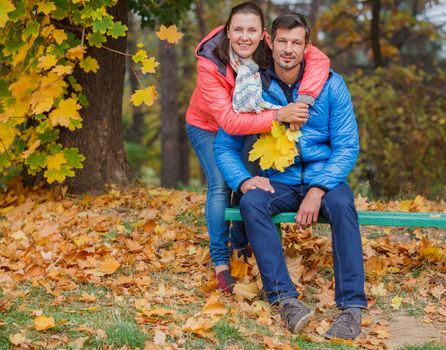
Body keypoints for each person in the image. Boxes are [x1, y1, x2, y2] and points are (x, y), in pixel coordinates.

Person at [214, 13, 367, 340]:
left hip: (324, 177)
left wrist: (319, 188)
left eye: (296, 42)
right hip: (278, 180)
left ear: (306, 47)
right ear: (270, 42)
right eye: (282, 41)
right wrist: (243, 180)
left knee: (342, 203)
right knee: (251, 201)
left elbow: (347, 146)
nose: (288, 49)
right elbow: (225, 145)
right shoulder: (254, 85)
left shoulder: (331, 85)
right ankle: (285, 301)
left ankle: (351, 308)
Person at [185, 2, 330, 293]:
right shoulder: (210, 62)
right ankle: (221, 262)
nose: (244, 37)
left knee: (250, 179)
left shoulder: (271, 44)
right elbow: (228, 120)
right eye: (237, 29)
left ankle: (241, 243)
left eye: (252, 30)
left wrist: (303, 102)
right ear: (228, 31)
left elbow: (319, 60)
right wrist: (278, 115)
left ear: (262, 33)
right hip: (209, 127)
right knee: (221, 183)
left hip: (253, 121)